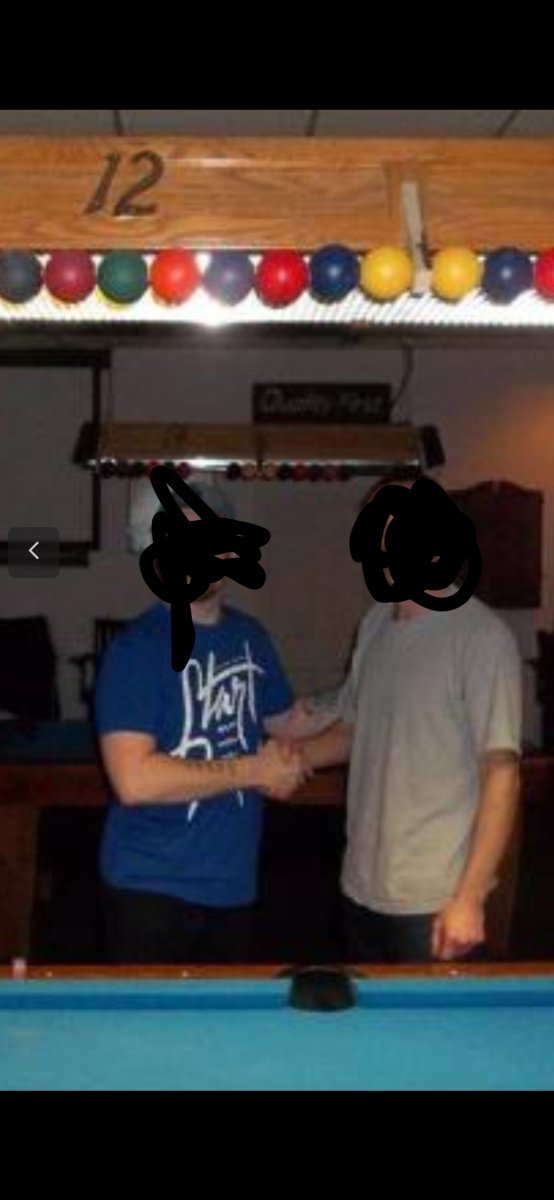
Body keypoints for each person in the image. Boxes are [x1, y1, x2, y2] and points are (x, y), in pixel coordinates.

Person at [291, 472, 522, 963]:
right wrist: (285, 760)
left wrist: (469, 899)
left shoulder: (481, 636)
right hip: (360, 888)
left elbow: (502, 775)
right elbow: (353, 730)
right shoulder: (375, 624)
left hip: (436, 901)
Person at [95, 477, 310, 964]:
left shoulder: (251, 637)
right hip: (150, 890)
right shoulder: (136, 651)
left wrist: (361, 694)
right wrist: (254, 769)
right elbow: (134, 780)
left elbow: (291, 724)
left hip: (233, 885)